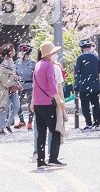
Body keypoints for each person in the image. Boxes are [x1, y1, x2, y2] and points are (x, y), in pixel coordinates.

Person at [31, 41, 65, 169]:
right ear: (49, 54)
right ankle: (53, 158)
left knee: (41, 132)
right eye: (54, 52)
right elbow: (51, 82)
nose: (55, 54)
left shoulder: (38, 64)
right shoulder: (49, 65)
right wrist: (58, 98)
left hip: (38, 103)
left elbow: (35, 84)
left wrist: (33, 101)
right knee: (55, 130)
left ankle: (41, 160)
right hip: (47, 102)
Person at [0, 44, 21, 135]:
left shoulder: (10, 61)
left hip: (11, 88)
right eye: (13, 50)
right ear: (10, 52)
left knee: (16, 106)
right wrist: (12, 77)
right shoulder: (5, 62)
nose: (15, 51)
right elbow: (2, 76)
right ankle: (2, 128)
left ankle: (7, 124)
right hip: (5, 88)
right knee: (4, 109)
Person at [74, 39, 100, 130]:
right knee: (96, 104)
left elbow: (77, 71)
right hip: (95, 84)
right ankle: (97, 124)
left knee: (85, 106)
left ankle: (89, 123)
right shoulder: (96, 57)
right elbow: (99, 70)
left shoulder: (80, 58)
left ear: (81, 48)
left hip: (84, 85)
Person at [15, 44, 36, 130]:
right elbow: (15, 73)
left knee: (30, 103)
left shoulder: (33, 63)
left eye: (22, 51)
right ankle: (21, 120)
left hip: (30, 85)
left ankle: (30, 122)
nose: (20, 53)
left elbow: (35, 75)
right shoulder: (18, 62)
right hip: (20, 85)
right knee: (17, 103)